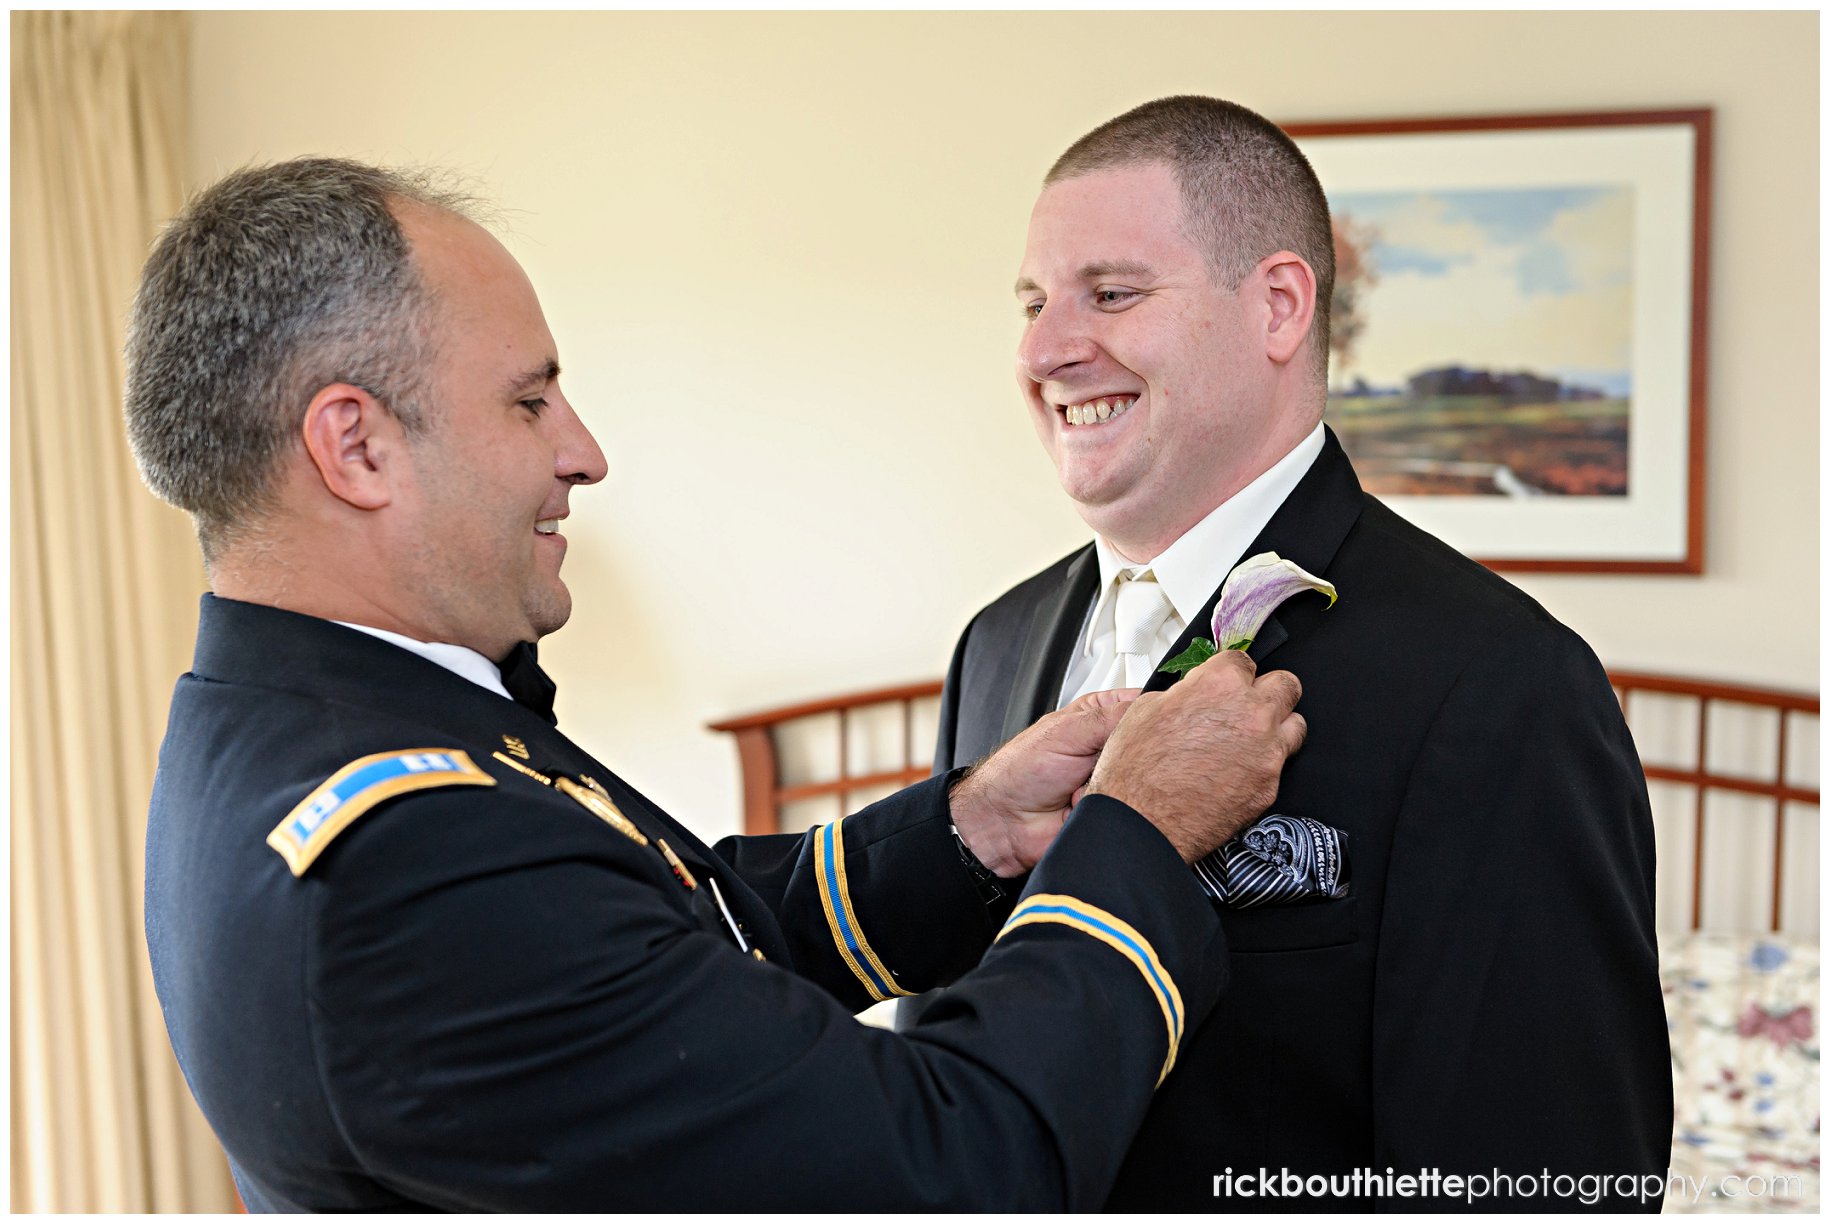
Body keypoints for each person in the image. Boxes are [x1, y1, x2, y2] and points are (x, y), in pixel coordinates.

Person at [128, 158, 1309, 1212]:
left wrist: (970, 829)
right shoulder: (410, 861)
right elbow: (953, 1165)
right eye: (528, 399)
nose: (581, 452)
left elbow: (682, 945)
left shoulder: (296, 726)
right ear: (356, 448)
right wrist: (1137, 836)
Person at [932, 96, 1673, 1210]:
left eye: (1112, 294)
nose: (1044, 349)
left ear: (1279, 306)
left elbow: (1544, 1177)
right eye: (1033, 302)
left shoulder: (1500, 686)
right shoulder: (994, 644)